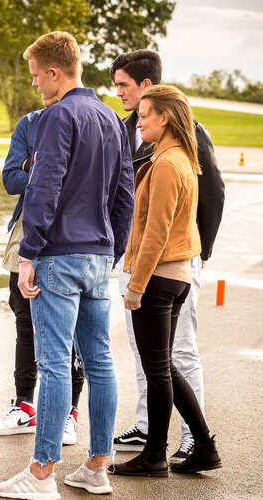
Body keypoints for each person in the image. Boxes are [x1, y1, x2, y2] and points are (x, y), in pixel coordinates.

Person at [0, 31, 134, 499]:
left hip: (57, 255)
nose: (34, 85)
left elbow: (44, 186)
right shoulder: (112, 118)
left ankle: (41, 473)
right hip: (99, 254)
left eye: (35, 76)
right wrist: (114, 248)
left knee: (52, 365)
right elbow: (124, 195)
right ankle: (96, 466)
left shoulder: (56, 116)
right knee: (100, 362)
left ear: (54, 72)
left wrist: (29, 252)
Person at [109, 50, 225, 464]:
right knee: (160, 364)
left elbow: (158, 228)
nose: (137, 121)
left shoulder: (169, 160)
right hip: (164, 268)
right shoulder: (170, 154)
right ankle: (170, 442)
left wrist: (138, 284)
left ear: (162, 114)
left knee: (169, 361)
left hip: (162, 271)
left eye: (144, 114)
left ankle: (180, 448)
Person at [0, 97, 85, 445]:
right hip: (27, 229)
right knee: (24, 320)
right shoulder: (30, 123)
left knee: (72, 327)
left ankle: (69, 413)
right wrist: (52, 174)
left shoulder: (87, 118)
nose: (33, 83)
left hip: (73, 233)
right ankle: (24, 405)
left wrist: (41, 169)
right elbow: (11, 179)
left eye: (38, 75)